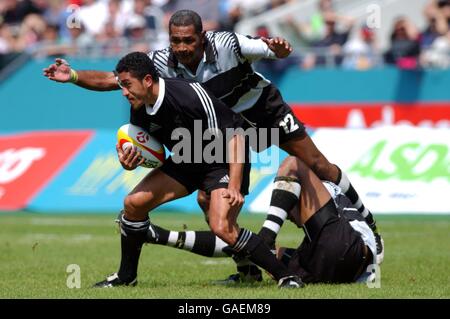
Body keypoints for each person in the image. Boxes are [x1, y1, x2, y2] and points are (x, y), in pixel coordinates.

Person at [43, 9, 384, 281]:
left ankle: (368, 223)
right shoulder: (159, 64)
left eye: (188, 40)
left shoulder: (227, 44)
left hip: (260, 111)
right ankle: (248, 271)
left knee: (317, 164)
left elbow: (265, 47)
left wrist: (275, 49)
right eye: (175, 41)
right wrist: (72, 76)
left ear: (202, 37)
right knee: (209, 202)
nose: (181, 48)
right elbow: (111, 80)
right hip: (219, 134)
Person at [92, 51, 303, 289]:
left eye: (128, 85)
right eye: (121, 85)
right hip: (186, 159)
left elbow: (235, 137)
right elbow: (151, 151)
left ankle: (286, 276)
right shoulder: (139, 107)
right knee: (133, 204)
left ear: (148, 80)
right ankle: (126, 276)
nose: (123, 92)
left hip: (222, 158)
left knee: (222, 226)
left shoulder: (188, 95)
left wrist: (234, 185)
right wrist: (129, 161)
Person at [141, 155, 377, 285]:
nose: (292, 217)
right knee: (257, 251)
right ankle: (158, 235)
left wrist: (371, 224)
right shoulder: (321, 217)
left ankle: (266, 236)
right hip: (324, 265)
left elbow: (319, 173)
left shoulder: (323, 186)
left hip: (348, 250)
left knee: (293, 164)